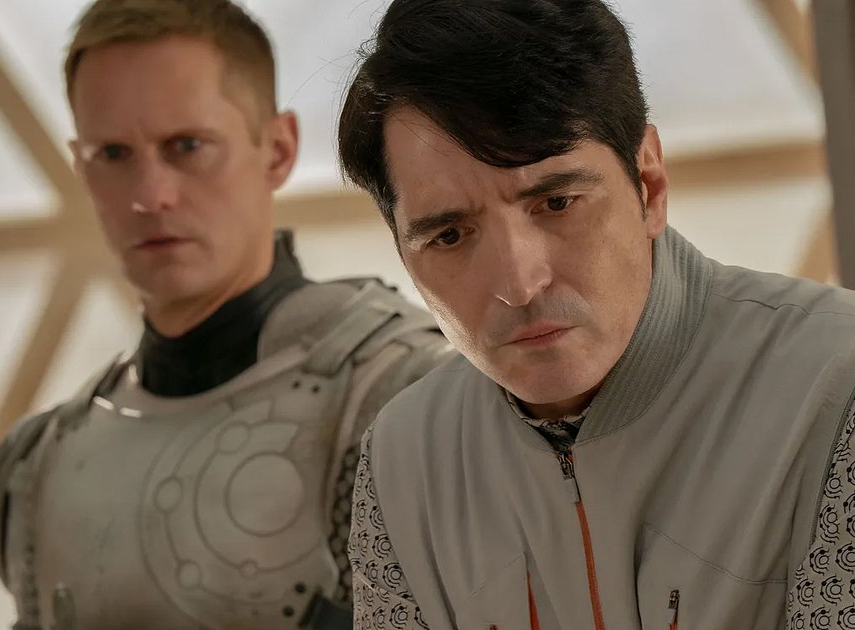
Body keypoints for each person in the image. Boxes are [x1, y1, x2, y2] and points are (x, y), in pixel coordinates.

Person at [337, 0, 855, 627]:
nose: (519, 284)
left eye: (556, 202)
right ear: (402, 251)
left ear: (649, 185)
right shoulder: (401, 462)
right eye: (449, 235)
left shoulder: (836, 388)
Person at [0, 2, 452, 629]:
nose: (150, 196)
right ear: (81, 169)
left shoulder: (404, 397)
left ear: (278, 149)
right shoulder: (36, 464)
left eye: (187, 146)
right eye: (113, 154)